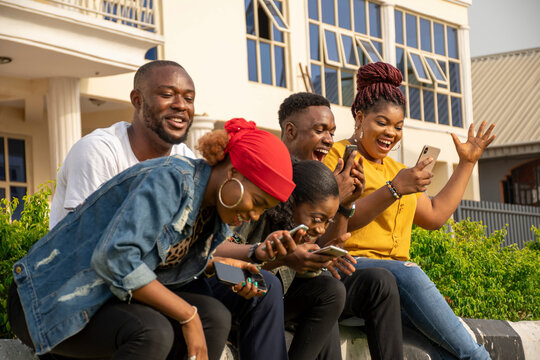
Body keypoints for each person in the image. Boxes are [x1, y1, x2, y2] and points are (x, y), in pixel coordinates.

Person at [8, 118, 296, 360]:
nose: (256, 216)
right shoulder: (171, 180)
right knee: (154, 331)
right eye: (257, 202)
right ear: (233, 173)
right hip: (50, 300)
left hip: (108, 297)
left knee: (214, 316)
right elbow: (116, 259)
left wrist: (222, 270)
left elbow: (170, 261)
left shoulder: (214, 212)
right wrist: (187, 315)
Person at [323, 62, 495, 360]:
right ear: (360, 118)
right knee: (409, 273)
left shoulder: (397, 170)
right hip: (351, 273)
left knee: (445, 353)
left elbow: (435, 215)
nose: (391, 133)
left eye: (398, 127)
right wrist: (393, 190)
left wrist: (467, 162)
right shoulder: (337, 156)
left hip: (392, 293)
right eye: (382, 123)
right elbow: (336, 215)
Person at [219, 92, 404, 360]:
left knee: (356, 284)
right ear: (291, 131)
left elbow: (315, 244)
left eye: (332, 131)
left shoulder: (324, 177)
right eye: (320, 130)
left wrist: (342, 207)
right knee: (291, 284)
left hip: (284, 282)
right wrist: (277, 257)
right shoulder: (260, 180)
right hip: (245, 284)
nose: (329, 140)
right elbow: (224, 264)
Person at [49, 60, 196, 229]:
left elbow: (199, 233)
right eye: (167, 95)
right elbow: (88, 237)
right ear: (137, 100)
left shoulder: (184, 158)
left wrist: (233, 236)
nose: (181, 105)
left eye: (188, 98)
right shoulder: (98, 151)